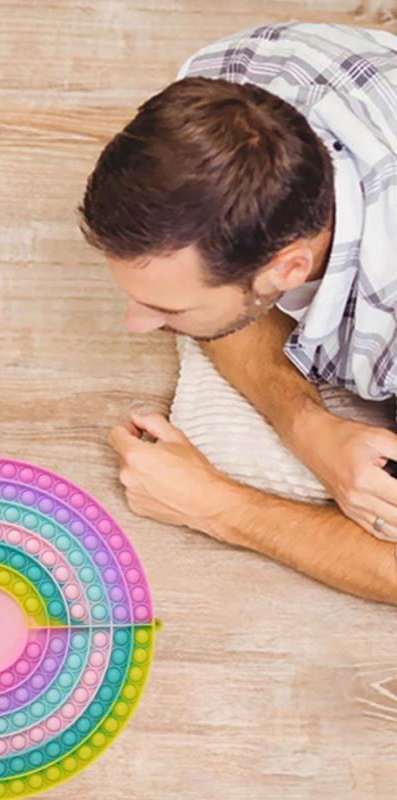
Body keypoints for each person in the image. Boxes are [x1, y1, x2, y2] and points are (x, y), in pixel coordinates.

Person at [79, 23, 397, 604]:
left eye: (166, 309)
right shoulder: (231, 78)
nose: (135, 324)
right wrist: (310, 429)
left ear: (287, 270)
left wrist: (217, 506)